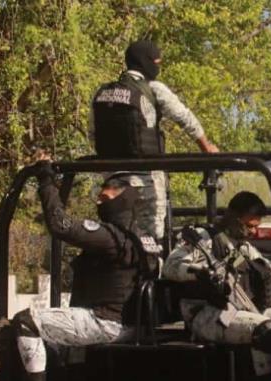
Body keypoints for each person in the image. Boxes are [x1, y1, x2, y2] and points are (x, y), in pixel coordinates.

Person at [2, 160, 158, 381]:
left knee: (25, 322)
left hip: (105, 321)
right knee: (63, 333)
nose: (99, 202)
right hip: (131, 324)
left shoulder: (111, 237)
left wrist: (46, 181)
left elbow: (59, 225)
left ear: (123, 196)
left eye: (104, 196)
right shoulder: (145, 239)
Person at [89, 39, 219, 240]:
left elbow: (93, 134)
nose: (158, 66)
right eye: (157, 61)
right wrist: (206, 147)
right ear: (146, 62)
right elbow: (184, 117)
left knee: (116, 237)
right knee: (151, 241)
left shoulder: (103, 92)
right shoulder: (153, 88)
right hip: (146, 179)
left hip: (113, 182)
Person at [162, 192, 271, 351]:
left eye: (256, 226)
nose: (253, 232)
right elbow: (171, 266)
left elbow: (270, 269)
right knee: (267, 331)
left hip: (242, 307)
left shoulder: (242, 247)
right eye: (249, 226)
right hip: (207, 313)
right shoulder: (204, 238)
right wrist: (201, 272)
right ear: (233, 217)